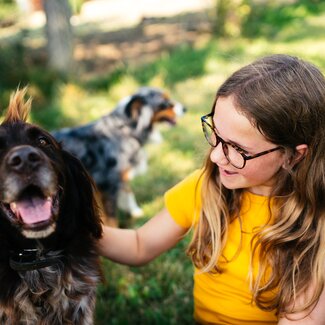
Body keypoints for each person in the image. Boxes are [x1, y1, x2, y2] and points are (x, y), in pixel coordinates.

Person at [98, 54, 325, 324]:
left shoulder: (316, 222)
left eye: (238, 149)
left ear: (293, 156)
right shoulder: (204, 187)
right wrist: (74, 227)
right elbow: (139, 246)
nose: (217, 156)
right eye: (216, 134)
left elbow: (302, 320)